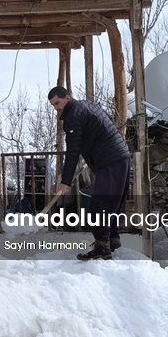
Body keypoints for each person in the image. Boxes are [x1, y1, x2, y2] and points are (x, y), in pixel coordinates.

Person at [48, 86, 131, 260]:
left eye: (57, 103)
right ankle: (113, 242)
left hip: (109, 161)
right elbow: (106, 125)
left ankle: (102, 248)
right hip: (121, 157)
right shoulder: (89, 105)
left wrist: (65, 181)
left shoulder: (73, 117)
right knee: (112, 205)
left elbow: (72, 152)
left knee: (100, 206)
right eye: (53, 105)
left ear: (67, 97)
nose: (56, 108)